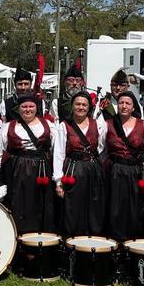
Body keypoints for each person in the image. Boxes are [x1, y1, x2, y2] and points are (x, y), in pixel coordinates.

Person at [0, 94, 56, 234]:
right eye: (24, 107)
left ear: (36, 108)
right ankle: (18, 235)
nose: (28, 110)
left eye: (31, 106)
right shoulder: (8, 126)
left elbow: (56, 151)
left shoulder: (49, 125)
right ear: (18, 109)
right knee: (19, 203)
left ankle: (40, 237)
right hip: (16, 170)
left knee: (40, 203)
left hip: (41, 170)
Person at [103, 91, 144, 241]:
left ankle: (134, 240)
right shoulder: (107, 124)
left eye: (128, 103)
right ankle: (113, 240)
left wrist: (142, 166)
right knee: (114, 207)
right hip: (114, 171)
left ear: (134, 107)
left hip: (135, 172)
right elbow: (101, 150)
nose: (124, 106)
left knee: (135, 207)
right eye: (121, 103)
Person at [53, 91, 107, 237]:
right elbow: (58, 153)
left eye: (84, 104)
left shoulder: (98, 124)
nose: (81, 107)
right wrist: (58, 181)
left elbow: (101, 147)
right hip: (73, 169)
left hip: (93, 169)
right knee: (73, 206)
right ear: (72, 106)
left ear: (89, 107)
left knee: (94, 205)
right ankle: (72, 239)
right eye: (77, 104)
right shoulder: (64, 126)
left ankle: (92, 239)